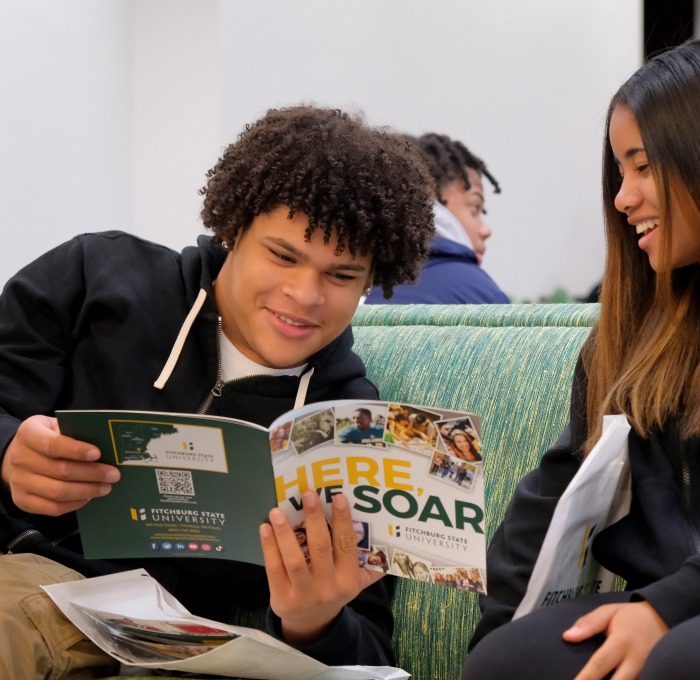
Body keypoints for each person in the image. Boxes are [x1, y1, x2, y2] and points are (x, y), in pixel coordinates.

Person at [0, 105, 436, 678]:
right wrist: (7, 450)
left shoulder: (351, 426)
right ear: (234, 229)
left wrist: (317, 619)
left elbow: (373, 657)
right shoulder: (96, 279)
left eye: (341, 275)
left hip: (153, 642)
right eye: (284, 254)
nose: (305, 294)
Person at [462, 39, 700, 679]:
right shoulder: (632, 337)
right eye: (619, 174)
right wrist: (495, 630)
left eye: (643, 167)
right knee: (509, 660)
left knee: (678, 657)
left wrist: (667, 606)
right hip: (669, 606)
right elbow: (556, 495)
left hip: (680, 617)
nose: (623, 200)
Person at [364, 132, 509, 304]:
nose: (486, 230)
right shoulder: (479, 293)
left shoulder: (354, 289)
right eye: (475, 207)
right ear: (430, 203)